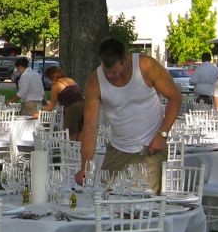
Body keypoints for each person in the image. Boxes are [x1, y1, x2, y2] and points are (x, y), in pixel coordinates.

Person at [75, 38, 182, 194]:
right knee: (106, 201)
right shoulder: (94, 82)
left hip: (150, 148)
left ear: (125, 59)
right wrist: (85, 166)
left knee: (144, 207)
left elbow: (175, 97)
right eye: (107, 71)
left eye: (115, 72)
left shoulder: (146, 66)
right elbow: (90, 128)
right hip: (117, 149)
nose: (111, 76)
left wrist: (162, 134)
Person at [42, 65, 85, 141]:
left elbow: (52, 105)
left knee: (70, 134)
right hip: (84, 105)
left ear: (52, 76)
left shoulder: (56, 85)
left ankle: (70, 151)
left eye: (50, 78)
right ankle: (78, 151)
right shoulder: (70, 80)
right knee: (80, 132)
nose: (51, 80)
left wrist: (40, 113)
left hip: (72, 108)